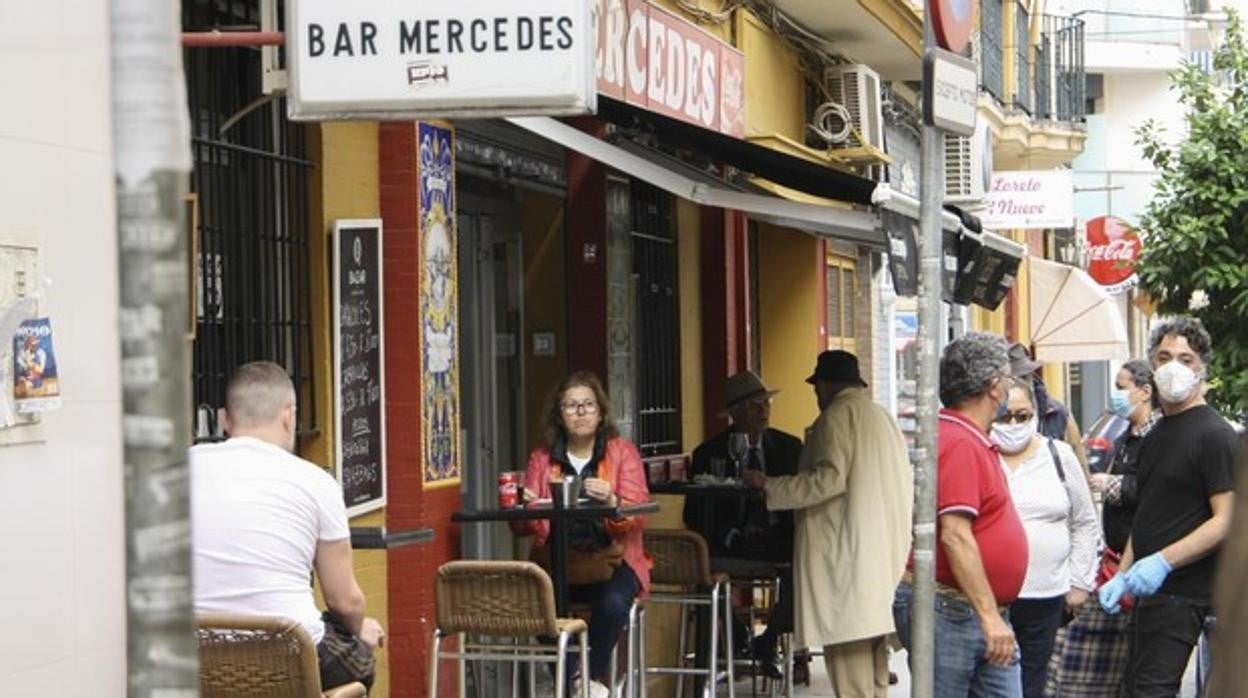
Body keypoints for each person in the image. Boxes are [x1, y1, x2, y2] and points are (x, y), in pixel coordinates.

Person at [192, 361, 384, 691]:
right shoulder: (316, 482)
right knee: (360, 657)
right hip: (289, 654)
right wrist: (358, 634)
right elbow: (344, 601)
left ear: (224, 419)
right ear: (289, 416)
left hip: (195, 654)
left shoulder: (182, 466)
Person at [743, 350, 912, 697]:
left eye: (817, 387)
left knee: (851, 678)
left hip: (847, 564)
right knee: (876, 674)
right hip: (880, 563)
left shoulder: (836, 416)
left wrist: (770, 485)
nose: (816, 395)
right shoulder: (880, 416)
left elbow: (827, 479)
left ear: (827, 385)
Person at [1098, 317, 1238, 696]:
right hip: (1151, 594)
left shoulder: (1214, 435)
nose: (1174, 366)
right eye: (1164, 356)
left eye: (1186, 359)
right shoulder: (1157, 433)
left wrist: (1164, 560)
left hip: (1188, 594)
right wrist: (1122, 575)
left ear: (1201, 368)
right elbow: (1147, 512)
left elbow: (1226, 520)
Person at [893, 332, 1028, 697]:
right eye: (1008, 378)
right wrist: (988, 616)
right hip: (954, 609)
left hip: (969, 609)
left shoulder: (965, 437)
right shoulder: (959, 441)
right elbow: (954, 534)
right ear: (994, 386)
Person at [512, 371, 650, 698]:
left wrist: (613, 501)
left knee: (614, 605)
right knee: (536, 607)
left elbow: (638, 512)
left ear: (601, 412)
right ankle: (579, 679)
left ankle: (579, 676)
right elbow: (519, 526)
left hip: (612, 561)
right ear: (559, 416)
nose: (580, 412)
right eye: (571, 406)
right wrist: (527, 506)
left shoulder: (621, 452)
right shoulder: (541, 458)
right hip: (557, 561)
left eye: (588, 405)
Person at [1047, 359, 1161, 697]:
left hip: (1140, 564)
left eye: (1122, 387)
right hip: (1115, 560)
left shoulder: (1157, 437)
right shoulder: (1127, 436)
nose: (1116, 395)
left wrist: (1111, 484)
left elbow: (1151, 493)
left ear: (1144, 392)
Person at [683, 369, 801, 678]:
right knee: (705, 575)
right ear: (734, 413)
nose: (763, 411)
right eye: (753, 405)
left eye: (765, 403)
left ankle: (769, 639)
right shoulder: (708, 453)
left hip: (778, 539)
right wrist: (732, 534)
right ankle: (737, 638)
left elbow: (800, 498)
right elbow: (693, 513)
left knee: (806, 570)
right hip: (731, 542)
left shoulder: (790, 449)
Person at [991, 378, 1098, 698]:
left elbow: (1085, 522)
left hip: (1045, 598)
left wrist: (1079, 582)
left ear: (1036, 415)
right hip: (989, 600)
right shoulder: (982, 454)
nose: (1013, 424)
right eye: (1004, 416)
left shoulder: (1059, 455)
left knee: (1032, 684)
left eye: (1022, 416)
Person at [1008, 342, 1089, 472]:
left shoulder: (1058, 413)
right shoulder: (991, 415)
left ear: (1032, 376)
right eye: (1012, 378)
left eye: (1024, 376)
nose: (1019, 383)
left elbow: (1079, 465)